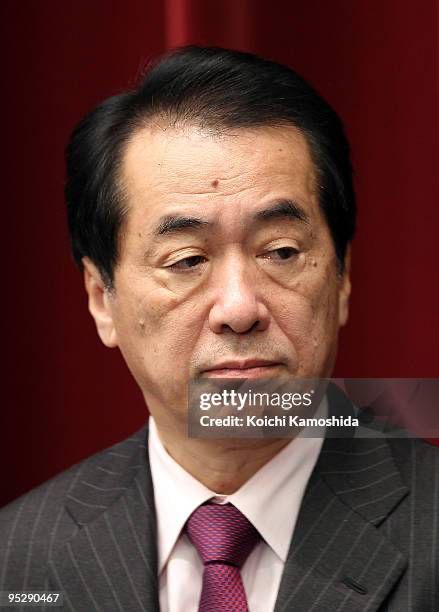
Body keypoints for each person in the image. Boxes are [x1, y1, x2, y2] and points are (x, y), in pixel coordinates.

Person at [0, 46, 437, 612]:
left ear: (342, 277)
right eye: (187, 260)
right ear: (101, 298)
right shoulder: (18, 561)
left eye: (281, 251)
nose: (239, 308)